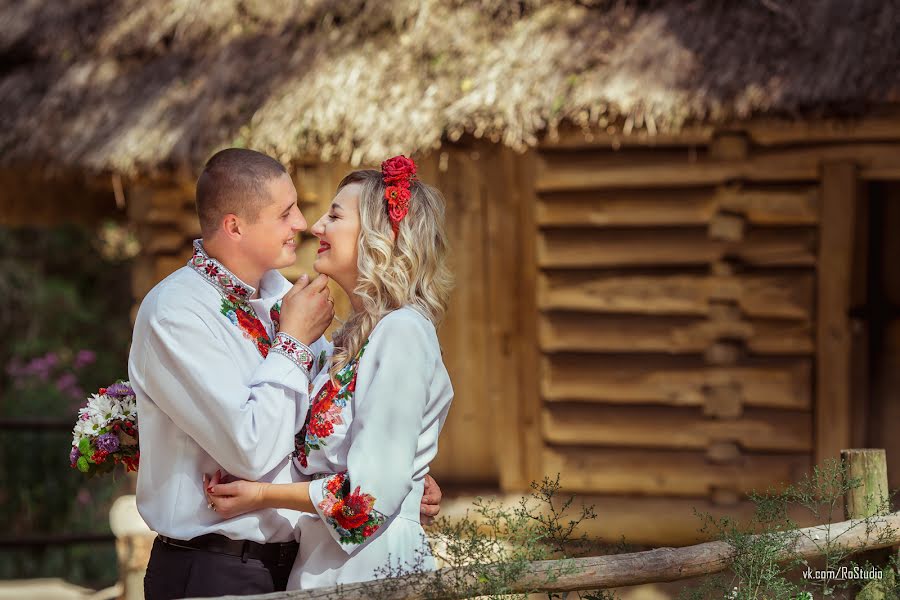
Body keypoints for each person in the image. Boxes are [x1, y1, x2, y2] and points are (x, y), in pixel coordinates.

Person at [129, 149, 441, 600]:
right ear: (235, 226)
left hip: (313, 562)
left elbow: (340, 435)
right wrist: (291, 341)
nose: (304, 223)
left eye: (308, 209)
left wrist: (405, 475)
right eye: (285, 212)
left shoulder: (294, 304)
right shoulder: (177, 312)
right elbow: (251, 450)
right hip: (217, 566)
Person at [205, 155, 454, 589]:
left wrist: (260, 495)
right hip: (323, 564)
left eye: (335, 216)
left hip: (372, 570)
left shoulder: (403, 332)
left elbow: (367, 500)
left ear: (378, 235)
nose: (315, 226)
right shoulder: (351, 340)